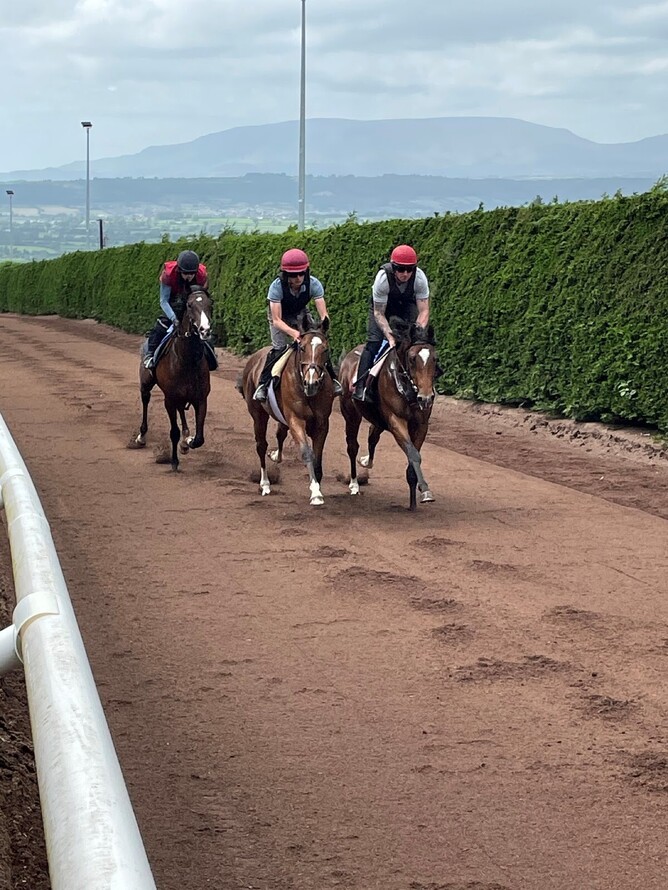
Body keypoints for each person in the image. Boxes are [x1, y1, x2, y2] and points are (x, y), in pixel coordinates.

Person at [253, 248, 343, 400]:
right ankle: (264, 383)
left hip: (301, 314)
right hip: (279, 318)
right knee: (279, 348)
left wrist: (322, 328)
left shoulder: (314, 284)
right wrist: (294, 333)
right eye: (293, 275)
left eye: (302, 273)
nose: (298, 278)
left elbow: (323, 313)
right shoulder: (276, 287)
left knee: (316, 346)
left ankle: (333, 379)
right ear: (286, 274)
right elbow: (276, 320)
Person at [352, 244, 430, 403]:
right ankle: (360, 386)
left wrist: (417, 332)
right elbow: (379, 313)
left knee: (420, 346)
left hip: (406, 306)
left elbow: (424, 311)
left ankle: (424, 383)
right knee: (374, 343)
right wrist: (390, 337)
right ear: (393, 268)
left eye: (410, 270)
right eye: (401, 269)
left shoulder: (420, 278)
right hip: (382, 310)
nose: (405, 274)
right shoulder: (382, 279)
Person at [143, 249, 208, 369]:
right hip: (173, 302)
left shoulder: (201, 275)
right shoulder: (168, 276)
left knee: (204, 327)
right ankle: (149, 355)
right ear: (179, 271)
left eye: (192, 273)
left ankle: (210, 356)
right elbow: (163, 301)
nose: (189, 277)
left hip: (192, 303)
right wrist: (173, 318)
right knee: (161, 327)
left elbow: (202, 296)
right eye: (185, 273)